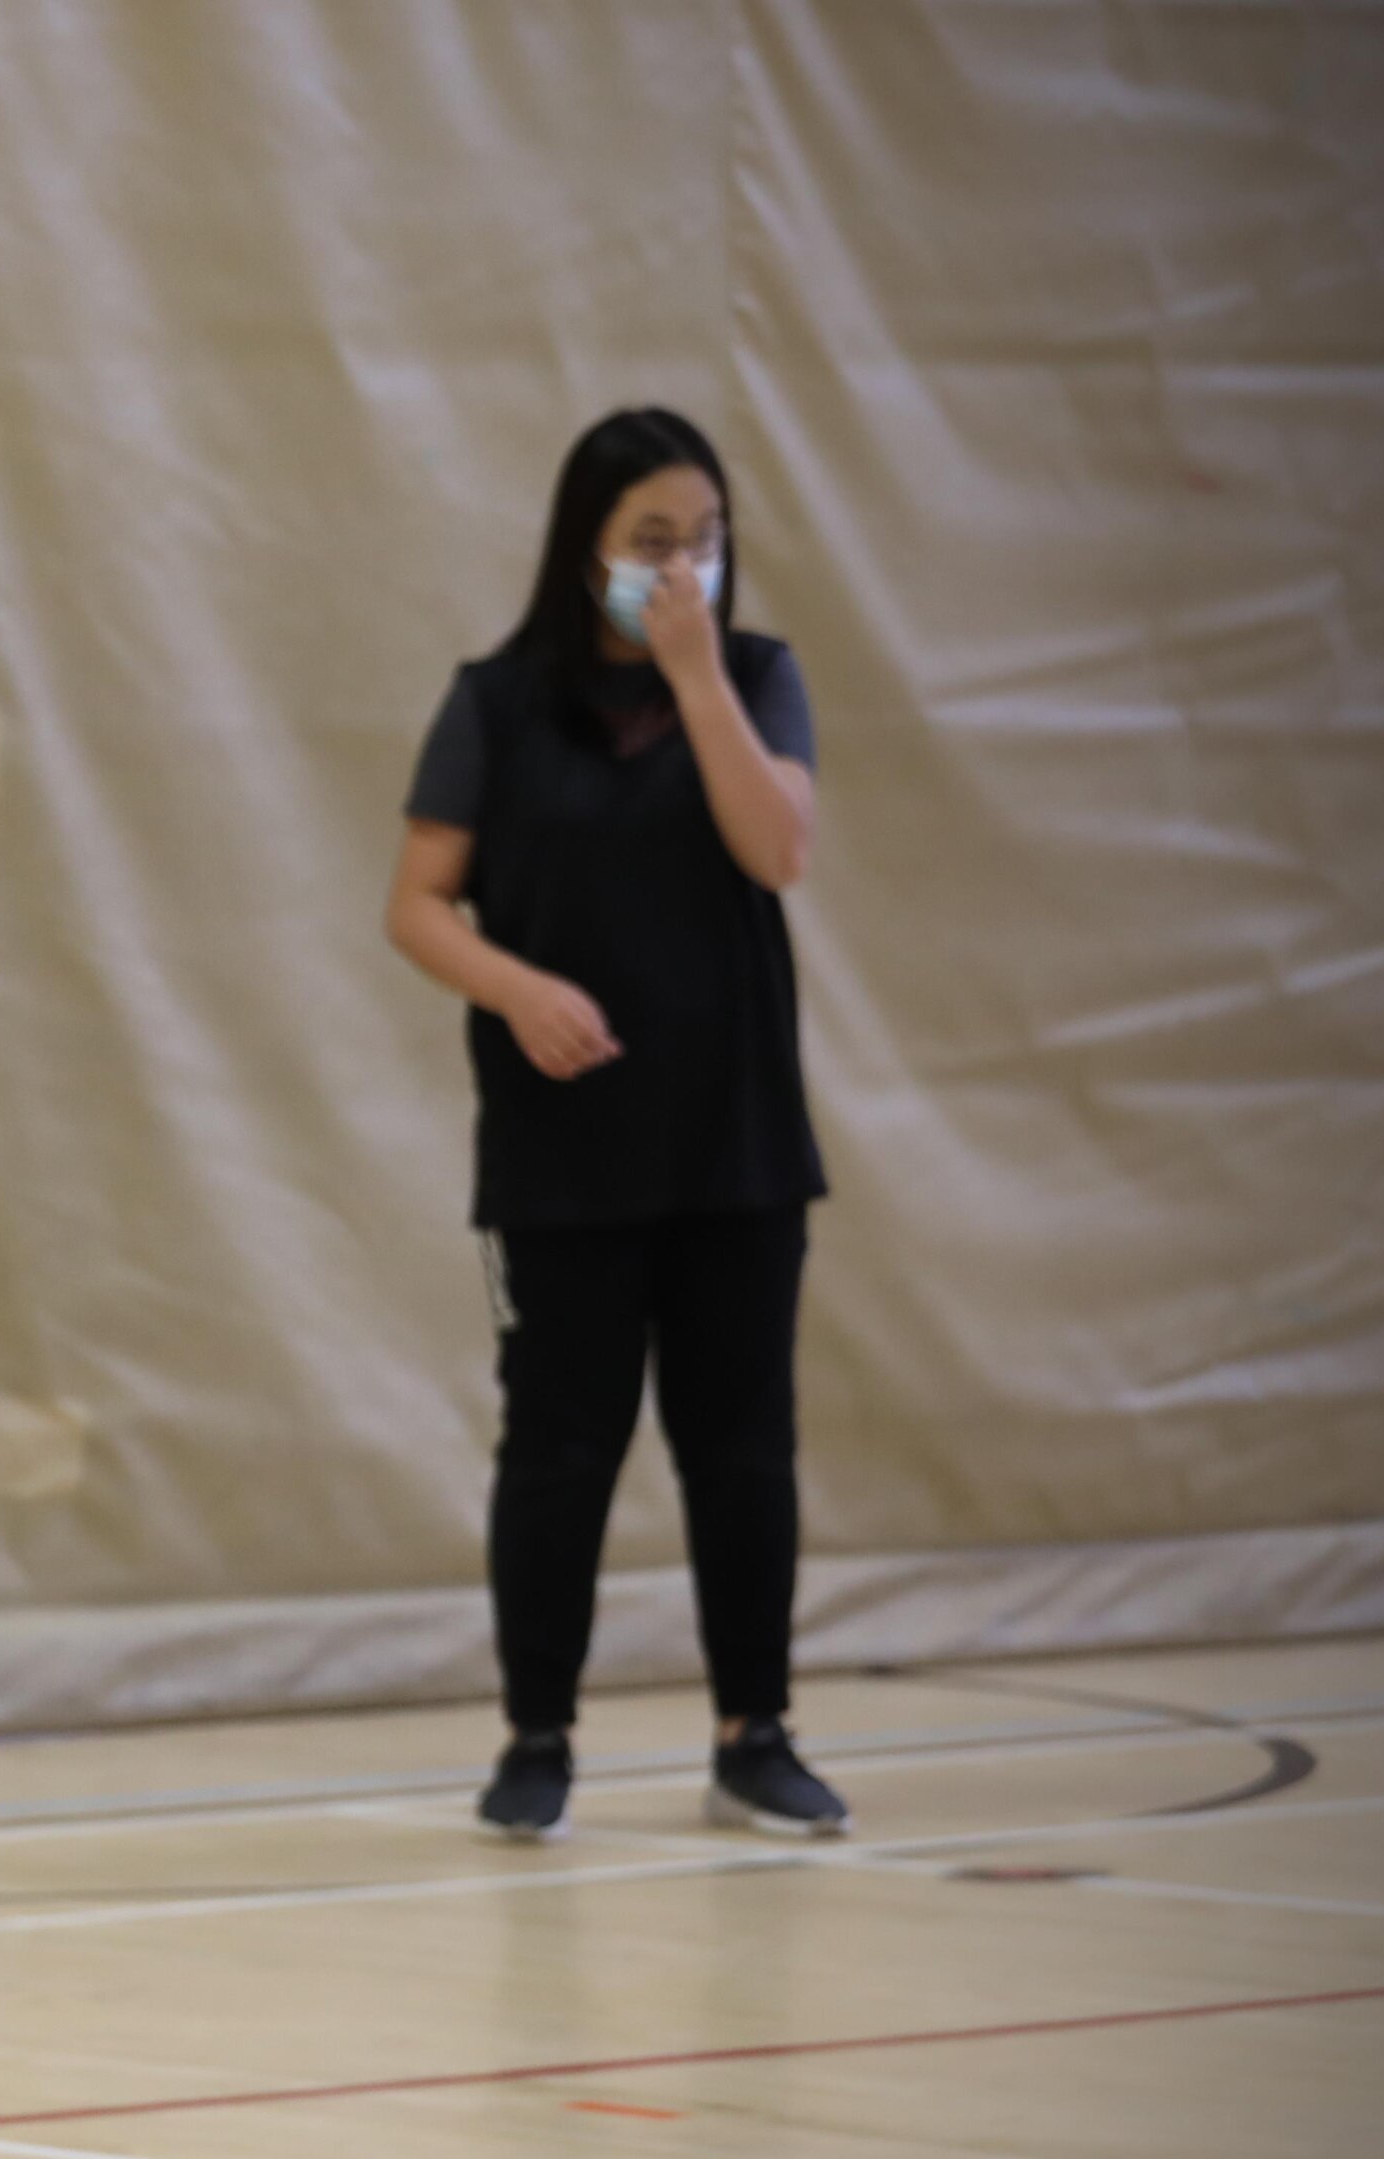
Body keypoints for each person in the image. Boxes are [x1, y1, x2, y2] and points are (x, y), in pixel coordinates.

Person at [383, 407, 850, 1843]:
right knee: (561, 1447)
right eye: (654, 542)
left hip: (735, 1138)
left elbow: (779, 850)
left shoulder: (759, 680)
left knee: (742, 1444)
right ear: (587, 546)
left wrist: (699, 673)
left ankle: (752, 1733)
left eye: (705, 541)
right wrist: (515, 988)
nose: (683, 565)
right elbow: (413, 903)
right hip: (563, 1145)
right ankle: (538, 1739)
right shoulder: (497, 702)